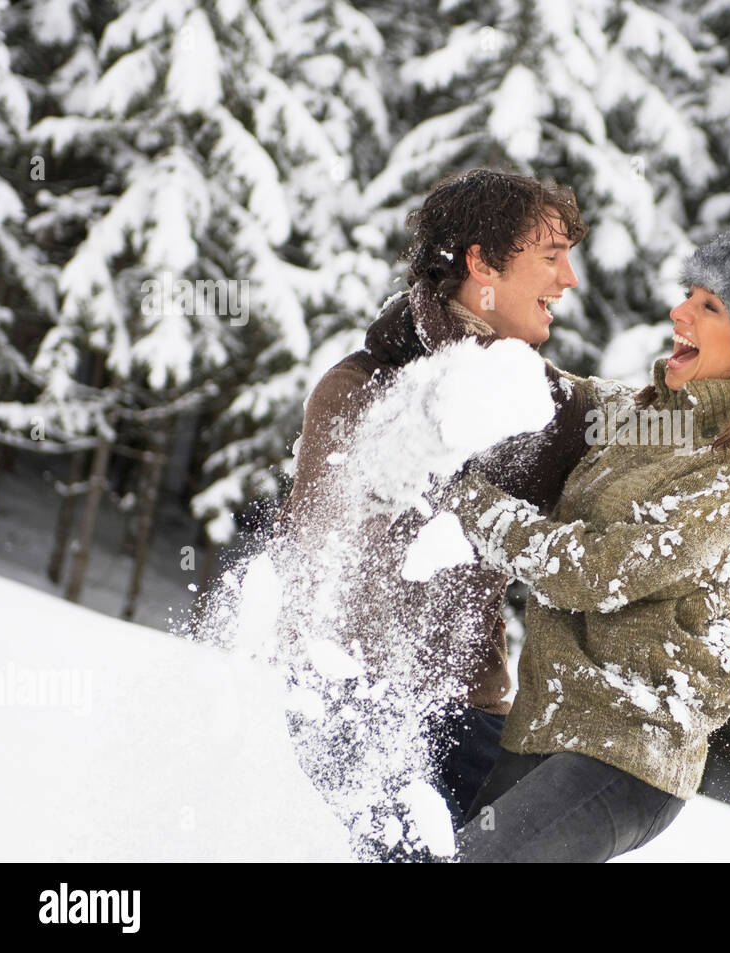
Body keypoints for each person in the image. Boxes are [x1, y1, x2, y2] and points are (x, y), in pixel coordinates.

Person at [440, 225, 730, 862]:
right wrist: (455, 336)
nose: (679, 311)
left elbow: (596, 572)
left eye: (710, 306)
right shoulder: (640, 413)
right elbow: (548, 395)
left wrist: (469, 501)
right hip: (544, 725)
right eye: (689, 294)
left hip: (628, 751)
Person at [273, 169, 595, 860]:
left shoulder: (546, 406)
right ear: (481, 263)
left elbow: (657, 437)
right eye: (550, 255)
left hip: (472, 714)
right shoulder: (363, 387)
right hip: (349, 695)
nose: (568, 279)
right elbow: (329, 569)